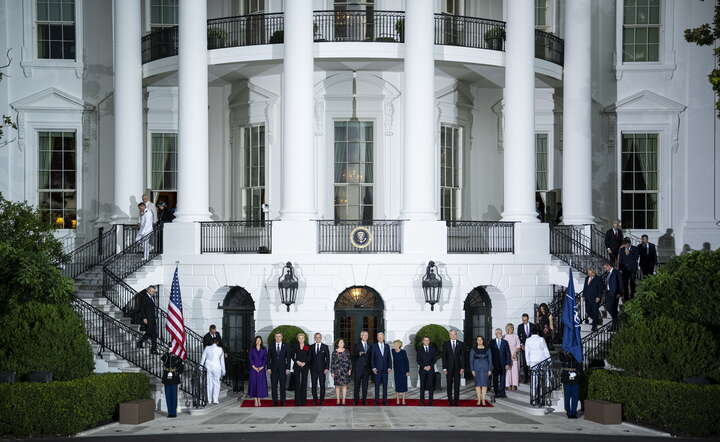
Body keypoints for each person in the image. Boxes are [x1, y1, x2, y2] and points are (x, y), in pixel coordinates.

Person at [525, 333, 550, 404]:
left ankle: (533, 396)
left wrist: (528, 362)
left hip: (533, 361)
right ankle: (543, 394)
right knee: (543, 378)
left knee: (534, 380)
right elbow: (546, 350)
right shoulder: (541, 339)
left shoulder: (528, 340)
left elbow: (527, 352)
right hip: (541, 360)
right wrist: (549, 360)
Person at [442, 329, 465, 406]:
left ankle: (456, 400)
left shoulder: (460, 344)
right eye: (451, 334)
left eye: (454, 334)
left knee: (457, 385)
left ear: (456, 335)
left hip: (458, 368)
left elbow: (462, 357)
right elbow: (444, 357)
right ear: (449, 335)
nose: (453, 336)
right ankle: (450, 400)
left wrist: (462, 368)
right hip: (448, 368)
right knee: (449, 384)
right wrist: (444, 368)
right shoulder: (446, 344)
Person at [267, 332, 290, 406]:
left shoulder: (285, 345)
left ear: (282, 337)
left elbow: (288, 358)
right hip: (273, 369)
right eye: (276, 336)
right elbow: (268, 358)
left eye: (279, 336)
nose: (278, 338)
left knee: (283, 386)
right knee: (274, 386)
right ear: (275, 337)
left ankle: (283, 401)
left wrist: (288, 368)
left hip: (283, 369)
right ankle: (275, 401)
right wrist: (268, 368)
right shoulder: (271, 345)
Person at [201, 336, 226, 405]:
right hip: (217, 367)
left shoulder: (207, 348)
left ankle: (209, 400)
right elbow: (222, 361)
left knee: (209, 383)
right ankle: (215, 399)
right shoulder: (220, 349)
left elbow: (203, 358)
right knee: (216, 383)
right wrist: (223, 371)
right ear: (217, 342)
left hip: (208, 367)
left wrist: (201, 367)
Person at [470, 336, 493, 406]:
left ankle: (483, 400)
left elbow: (490, 360)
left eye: (481, 340)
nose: (479, 341)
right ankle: (479, 400)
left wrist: (489, 369)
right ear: (476, 341)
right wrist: (472, 370)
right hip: (476, 368)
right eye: (478, 340)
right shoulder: (473, 349)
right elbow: (471, 360)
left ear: (483, 341)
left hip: (485, 369)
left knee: (484, 385)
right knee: (477, 385)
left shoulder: (488, 349)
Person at [136, 286, 159, 354]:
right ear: (148, 290)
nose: (153, 292)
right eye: (152, 291)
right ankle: (140, 343)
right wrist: (144, 318)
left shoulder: (151, 297)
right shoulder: (144, 297)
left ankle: (153, 349)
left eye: (154, 291)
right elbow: (142, 308)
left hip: (152, 318)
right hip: (148, 318)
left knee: (154, 334)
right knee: (149, 332)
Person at [489, 328, 511, 398]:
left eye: (501, 333)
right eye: (498, 333)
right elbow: (490, 354)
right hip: (494, 364)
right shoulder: (491, 342)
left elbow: (508, 353)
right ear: (495, 334)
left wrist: (508, 363)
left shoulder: (505, 342)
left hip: (503, 364)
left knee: (503, 378)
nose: (500, 334)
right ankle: (496, 392)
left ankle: (502, 393)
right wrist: (490, 364)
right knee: (495, 379)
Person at [559, 351, 583, 419]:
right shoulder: (564, 356)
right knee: (567, 397)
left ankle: (573, 412)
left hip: (575, 380)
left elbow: (580, 368)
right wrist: (566, 354)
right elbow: (561, 356)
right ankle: (569, 412)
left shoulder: (578, 356)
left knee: (575, 397)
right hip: (567, 379)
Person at [161, 351, 184, 418]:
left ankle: (173, 412)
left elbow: (181, 368)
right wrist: (169, 354)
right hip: (167, 377)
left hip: (174, 377)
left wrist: (177, 372)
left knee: (174, 396)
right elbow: (164, 361)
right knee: (168, 395)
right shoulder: (166, 355)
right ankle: (169, 412)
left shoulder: (178, 357)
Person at [371, 332, 392, 405]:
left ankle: (385, 401)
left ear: (383, 337)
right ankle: (376, 401)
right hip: (377, 369)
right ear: (377, 338)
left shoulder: (387, 346)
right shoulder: (374, 346)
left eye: (381, 337)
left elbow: (389, 357)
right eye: (379, 337)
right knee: (377, 386)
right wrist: (373, 368)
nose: (380, 338)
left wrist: (390, 367)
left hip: (385, 369)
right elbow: (372, 358)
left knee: (385, 386)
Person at [309, 332, 330, 405]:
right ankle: (315, 400)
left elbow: (328, 358)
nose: (318, 338)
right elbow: (309, 358)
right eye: (316, 337)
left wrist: (327, 368)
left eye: (319, 337)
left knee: (322, 385)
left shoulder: (325, 347)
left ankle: (322, 400)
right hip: (313, 369)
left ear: (321, 338)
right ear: (314, 338)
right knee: (314, 385)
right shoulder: (311, 347)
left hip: (322, 369)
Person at [248, 336, 268, 407]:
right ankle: (255, 400)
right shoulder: (252, 349)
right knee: (254, 384)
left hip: (261, 370)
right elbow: (250, 359)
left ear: (261, 341)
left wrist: (262, 367)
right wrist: (254, 367)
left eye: (259, 340)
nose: (258, 341)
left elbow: (265, 359)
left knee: (260, 385)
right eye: (257, 340)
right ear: (255, 341)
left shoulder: (264, 349)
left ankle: (259, 399)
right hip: (253, 370)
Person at [291, 333, 311, 406]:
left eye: (302, 338)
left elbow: (309, 356)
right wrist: (297, 361)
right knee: (297, 383)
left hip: (305, 366)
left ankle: (303, 401)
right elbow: (292, 355)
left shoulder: (307, 346)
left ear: (304, 339)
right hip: (297, 365)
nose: (301, 339)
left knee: (304, 383)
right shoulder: (295, 346)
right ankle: (297, 401)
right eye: (299, 338)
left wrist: (304, 363)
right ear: (298, 339)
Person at [417, 335, 437, 406]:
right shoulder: (419, 349)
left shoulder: (433, 348)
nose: (426, 341)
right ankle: (422, 401)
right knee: (422, 385)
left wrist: (430, 366)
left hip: (431, 369)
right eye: (425, 340)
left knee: (431, 386)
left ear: (429, 341)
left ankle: (430, 401)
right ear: (423, 341)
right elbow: (418, 360)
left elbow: (434, 359)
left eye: (428, 340)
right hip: (422, 370)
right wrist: (424, 367)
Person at [331, 338, 352, 405]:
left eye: (342, 342)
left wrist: (350, 369)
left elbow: (349, 361)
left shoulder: (347, 351)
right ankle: (338, 400)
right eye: (340, 342)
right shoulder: (334, 352)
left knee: (344, 386)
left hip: (345, 371)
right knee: (337, 386)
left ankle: (343, 400)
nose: (341, 344)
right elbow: (332, 362)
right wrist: (332, 372)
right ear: (337, 344)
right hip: (337, 371)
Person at [352, 330, 371, 405]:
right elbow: (353, 356)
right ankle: (356, 400)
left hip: (367, 369)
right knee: (357, 385)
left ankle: (364, 400)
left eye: (367, 335)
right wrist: (358, 353)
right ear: (361, 336)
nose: (366, 336)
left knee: (365, 386)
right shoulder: (356, 345)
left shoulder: (370, 345)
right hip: (358, 369)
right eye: (364, 335)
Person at [517, 313, 537, 382]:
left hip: (532, 347)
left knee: (532, 362)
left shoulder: (533, 325)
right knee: (525, 362)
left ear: (528, 319)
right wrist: (522, 345)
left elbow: (535, 336)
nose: (524, 321)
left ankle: (532, 377)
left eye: (525, 320)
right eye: (523, 320)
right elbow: (519, 337)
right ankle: (526, 378)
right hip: (524, 347)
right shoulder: (520, 326)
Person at [503, 323, 521, 391]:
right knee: (508, 370)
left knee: (514, 370)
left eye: (512, 328)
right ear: (507, 329)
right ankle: (508, 384)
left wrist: (515, 353)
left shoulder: (515, 336)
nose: (511, 329)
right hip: (507, 356)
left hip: (514, 355)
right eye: (510, 328)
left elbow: (518, 346)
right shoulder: (504, 337)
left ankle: (514, 384)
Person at [391, 339, 409, 405]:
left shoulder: (403, 352)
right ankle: (398, 399)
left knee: (404, 385)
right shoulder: (392, 351)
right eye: (393, 344)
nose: (394, 345)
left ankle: (403, 399)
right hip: (397, 371)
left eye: (395, 344)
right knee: (397, 385)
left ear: (399, 345)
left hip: (403, 371)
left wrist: (407, 371)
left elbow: (406, 362)